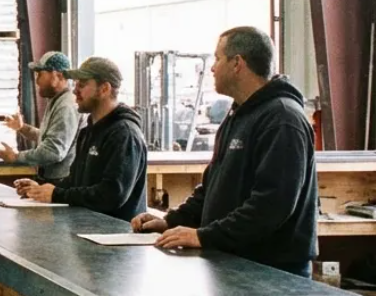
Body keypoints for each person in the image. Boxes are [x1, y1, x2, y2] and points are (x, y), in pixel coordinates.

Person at [132, 27, 319, 276]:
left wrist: (204, 236)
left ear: (237, 63)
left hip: (272, 271)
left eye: (217, 58)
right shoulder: (237, 115)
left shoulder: (282, 119)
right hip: (234, 262)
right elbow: (212, 188)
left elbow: (271, 206)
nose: (212, 68)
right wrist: (171, 221)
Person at [14, 57, 148, 222]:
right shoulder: (88, 131)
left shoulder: (124, 135)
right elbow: (76, 182)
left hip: (115, 235)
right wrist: (41, 190)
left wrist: (57, 194)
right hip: (88, 230)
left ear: (104, 89)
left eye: (82, 85)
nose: (75, 91)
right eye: (76, 84)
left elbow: (112, 195)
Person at [0, 50, 79, 183]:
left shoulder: (66, 106)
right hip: (54, 180)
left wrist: (16, 157)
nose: (37, 81)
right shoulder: (57, 100)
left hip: (61, 183)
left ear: (59, 76)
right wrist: (22, 128)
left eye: (40, 74)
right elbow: (49, 138)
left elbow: (53, 151)